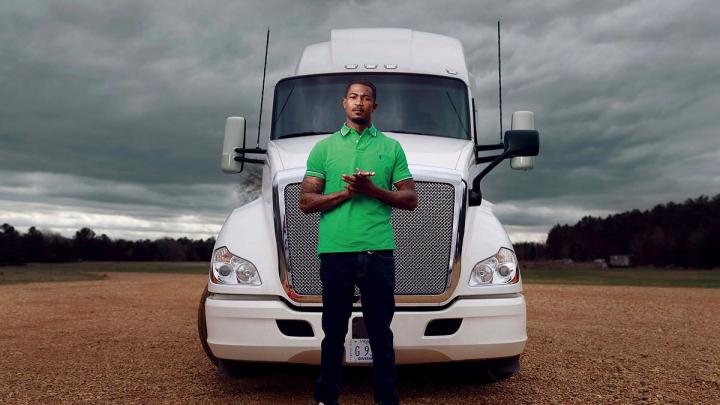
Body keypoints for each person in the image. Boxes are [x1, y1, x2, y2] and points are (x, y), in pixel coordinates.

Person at [299, 79, 418, 405]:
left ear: (374, 106)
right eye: (353, 97)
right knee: (333, 333)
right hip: (335, 253)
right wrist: (346, 193)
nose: (359, 103)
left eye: (366, 98)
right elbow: (306, 201)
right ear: (344, 103)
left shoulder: (391, 148)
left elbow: (410, 199)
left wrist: (374, 192)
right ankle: (327, 398)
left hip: (379, 252)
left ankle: (386, 399)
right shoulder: (324, 148)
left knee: (381, 335)